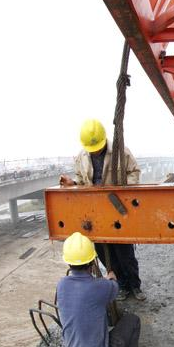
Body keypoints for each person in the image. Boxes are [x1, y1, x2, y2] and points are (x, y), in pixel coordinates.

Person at [59, 119, 146, 301]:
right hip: (95, 212)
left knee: (125, 253)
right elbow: (82, 181)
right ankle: (120, 285)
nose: (95, 151)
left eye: (97, 148)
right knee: (105, 252)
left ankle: (135, 286)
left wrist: (120, 189)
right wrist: (73, 184)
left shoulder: (120, 152)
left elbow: (135, 173)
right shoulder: (82, 157)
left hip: (116, 208)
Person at [57, 232, 142, 347]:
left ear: (68, 262)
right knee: (133, 320)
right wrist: (111, 277)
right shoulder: (101, 287)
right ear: (92, 261)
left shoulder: (61, 285)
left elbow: (86, 293)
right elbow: (114, 287)